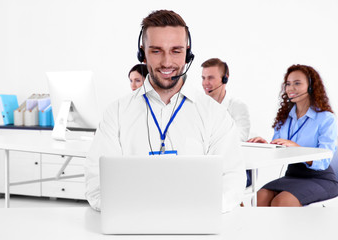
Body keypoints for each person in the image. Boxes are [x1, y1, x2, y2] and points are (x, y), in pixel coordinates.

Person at [85, 10, 246, 213]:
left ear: (188, 54)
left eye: (176, 51)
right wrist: (133, 210)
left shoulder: (214, 114)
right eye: (156, 51)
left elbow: (233, 179)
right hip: (133, 224)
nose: (167, 62)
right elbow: (96, 180)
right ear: (142, 53)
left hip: (195, 225)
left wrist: (196, 211)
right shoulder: (116, 113)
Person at [248, 64, 338, 206]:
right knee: (258, 198)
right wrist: (266, 146)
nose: (291, 88)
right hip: (293, 175)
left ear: (311, 86)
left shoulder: (326, 119)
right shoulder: (285, 118)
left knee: (281, 201)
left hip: (320, 178)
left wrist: (297, 148)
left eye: (297, 83)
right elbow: (280, 149)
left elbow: (324, 161)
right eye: (288, 84)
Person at [201, 58, 252, 187]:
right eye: (203, 78)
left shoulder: (237, 106)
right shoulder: (199, 106)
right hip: (206, 165)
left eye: (210, 78)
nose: (205, 83)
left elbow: (239, 137)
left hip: (233, 167)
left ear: (225, 79)